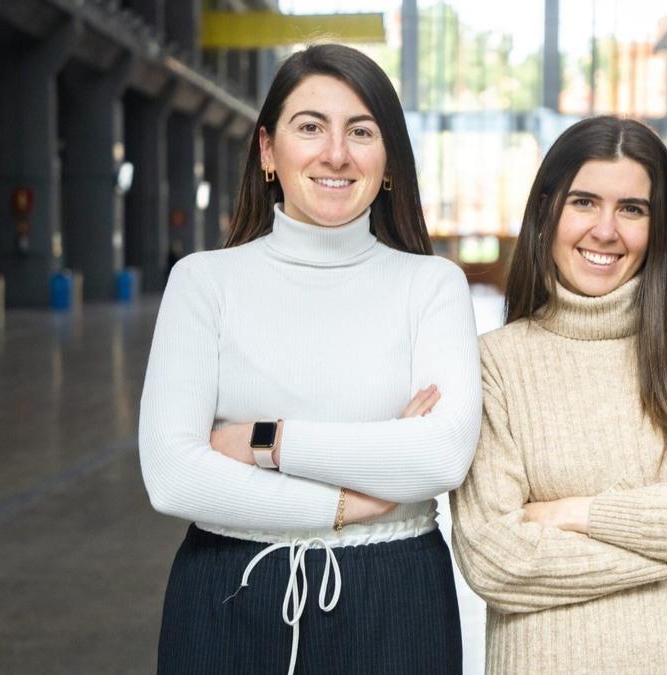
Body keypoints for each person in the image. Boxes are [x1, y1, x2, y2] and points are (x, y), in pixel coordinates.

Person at [139, 44, 481, 674]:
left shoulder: (431, 285)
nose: (335, 153)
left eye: (361, 130)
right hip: (229, 594)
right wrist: (351, 502)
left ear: (389, 163)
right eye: (310, 127)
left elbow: (442, 454)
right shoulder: (203, 283)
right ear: (268, 151)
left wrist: (263, 441)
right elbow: (172, 475)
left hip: (396, 600)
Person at [450, 116, 667, 674]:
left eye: (632, 209)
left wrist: (575, 513)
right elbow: (499, 560)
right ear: (546, 211)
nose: (605, 230)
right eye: (583, 202)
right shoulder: (495, 364)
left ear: (659, 226)